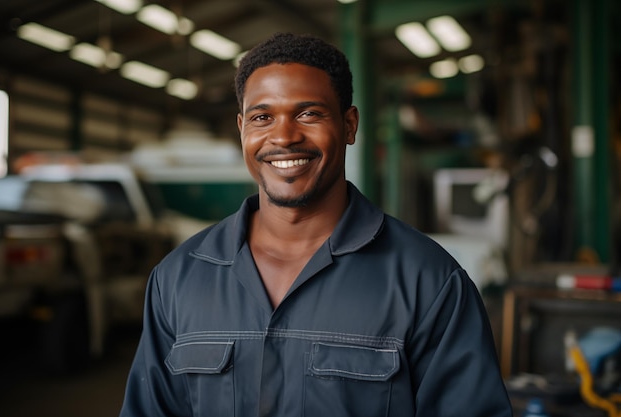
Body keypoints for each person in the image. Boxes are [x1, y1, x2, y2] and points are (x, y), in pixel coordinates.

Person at [119, 32, 513, 417]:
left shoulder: (429, 281)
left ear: (349, 125)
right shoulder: (178, 277)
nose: (284, 136)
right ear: (242, 129)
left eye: (308, 113)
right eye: (262, 117)